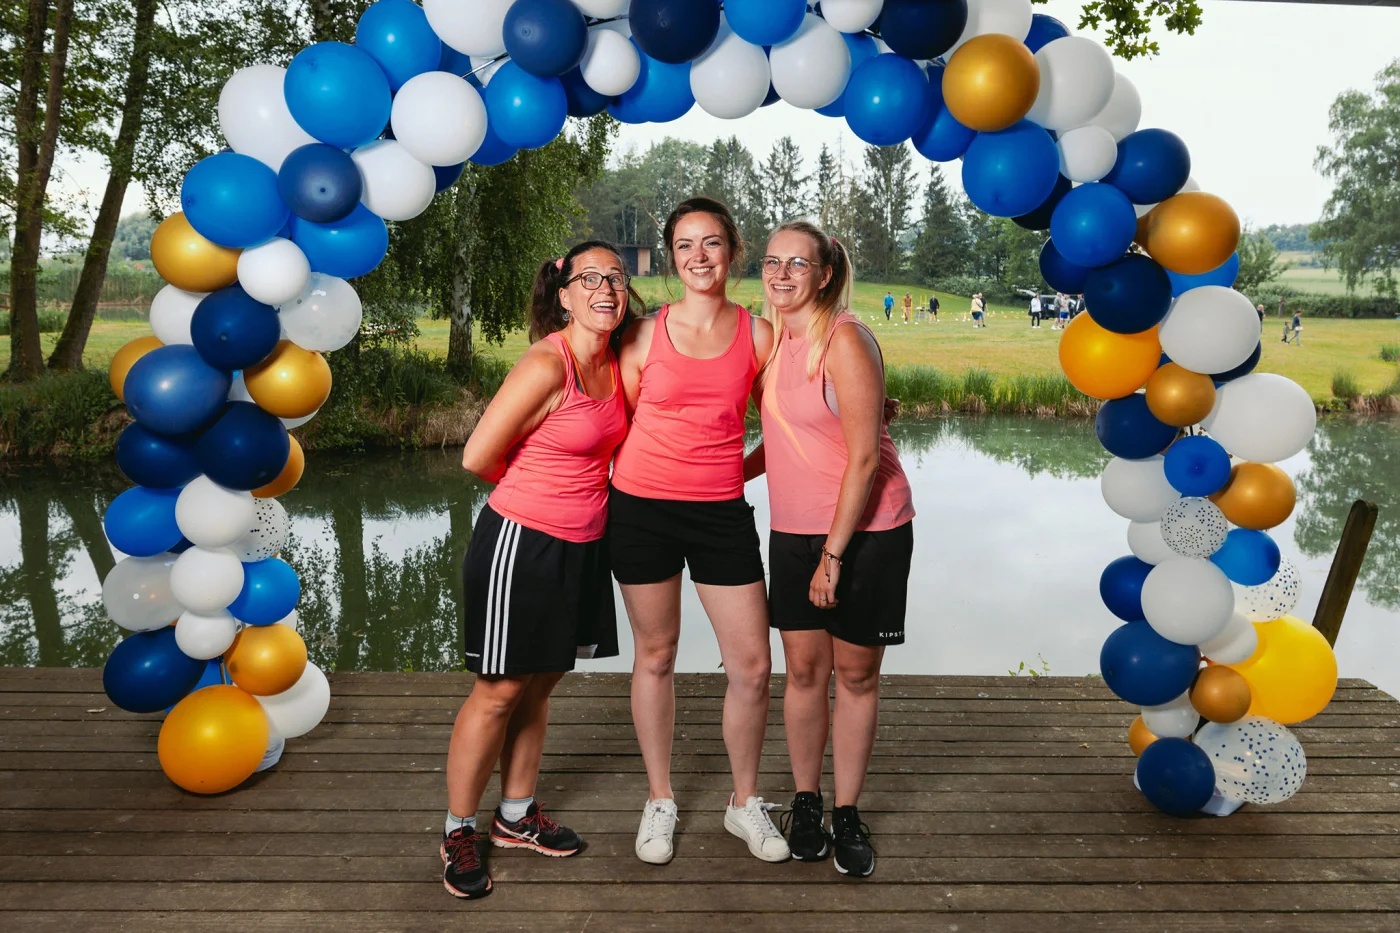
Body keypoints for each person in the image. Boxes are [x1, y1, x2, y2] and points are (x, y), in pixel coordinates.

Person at [444, 241, 637, 899]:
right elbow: (477, 456)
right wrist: (536, 492)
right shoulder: (544, 363)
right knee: (498, 690)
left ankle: (516, 816)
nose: (606, 287)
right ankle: (457, 829)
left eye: (616, 276)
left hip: (584, 547)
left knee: (539, 687)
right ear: (562, 293)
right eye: (590, 278)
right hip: (521, 544)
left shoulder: (612, 362)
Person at [612, 197, 789, 866]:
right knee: (655, 654)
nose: (699, 256)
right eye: (685, 244)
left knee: (751, 664)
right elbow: (619, 423)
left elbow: (782, 429)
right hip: (641, 509)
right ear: (670, 255)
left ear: (732, 249)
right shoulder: (643, 336)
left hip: (720, 511)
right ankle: (660, 798)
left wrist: (730, 468)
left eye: (711, 242)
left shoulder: (759, 336)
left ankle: (744, 802)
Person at [746, 221, 916, 878]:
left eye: (797, 263)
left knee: (855, 675)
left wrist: (834, 557)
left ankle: (847, 809)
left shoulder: (845, 339)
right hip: (794, 529)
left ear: (824, 273)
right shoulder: (772, 343)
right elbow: (787, 437)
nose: (781, 273)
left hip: (866, 531)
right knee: (805, 673)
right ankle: (807, 803)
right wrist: (722, 472)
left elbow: (865, 455)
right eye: (771, 262)